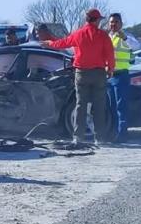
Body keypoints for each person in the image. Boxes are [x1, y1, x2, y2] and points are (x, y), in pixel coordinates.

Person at [41, 9, 115, 143]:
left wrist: (50, 44)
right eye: (99, 20)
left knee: (80, 105)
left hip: (82, 73)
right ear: (96, 20)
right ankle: (99, 138)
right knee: (99, 106)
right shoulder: (103, 36)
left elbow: (63, 43)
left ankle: (78, 137)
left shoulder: (79, 34)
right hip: (99, 73)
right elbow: (110, 53)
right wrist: (110, 69)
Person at [108, 13, 139, 143]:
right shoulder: (108, 37)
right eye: (111, 22)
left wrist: (125, 38)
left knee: (121, 106)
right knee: (112, 107)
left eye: (115, 22)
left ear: (121, 23)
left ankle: (122, 134)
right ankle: (114, 132)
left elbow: (136, 46)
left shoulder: (126, 37)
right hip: (110, 76)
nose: (113, 24)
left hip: (121, 75)